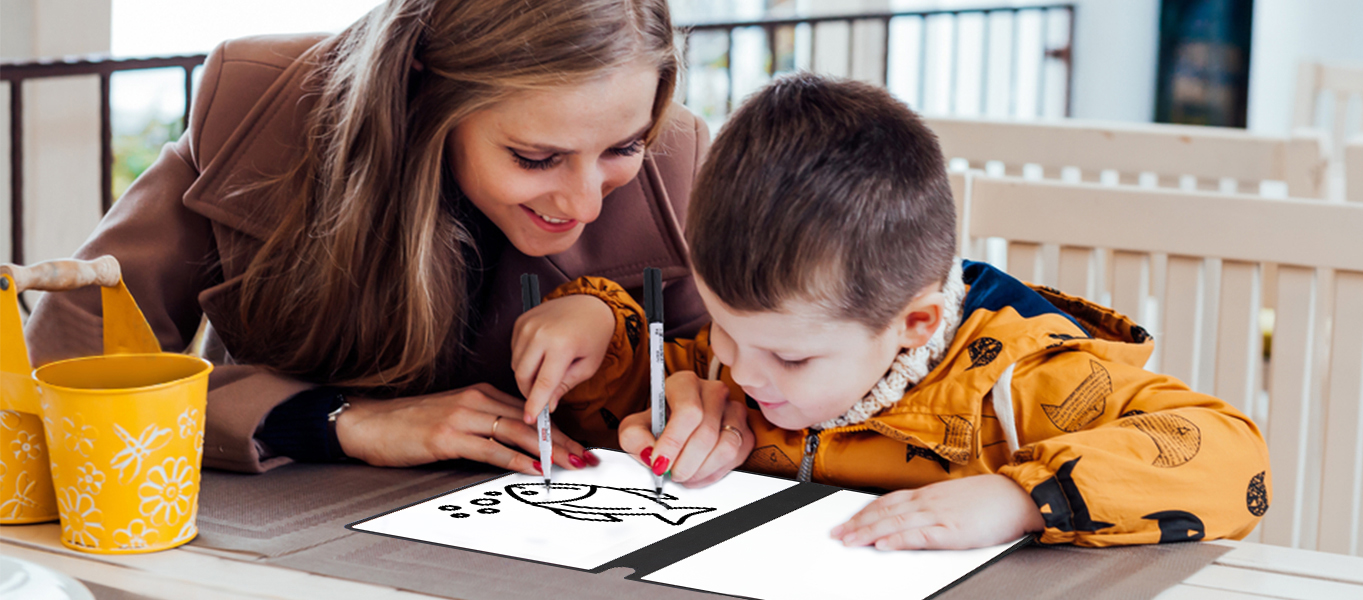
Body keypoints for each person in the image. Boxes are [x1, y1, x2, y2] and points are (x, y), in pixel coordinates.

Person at [538, 73, 1271, 549]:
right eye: (724, 328)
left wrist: (1019, 499)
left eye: (791, 358)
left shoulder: (1027, 384)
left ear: (914, 325)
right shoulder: (749, 353)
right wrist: (599, 330)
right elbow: (620, 411)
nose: (735, 365)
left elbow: (1233, 454)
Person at [24, 0, 726, 475]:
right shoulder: (259, 109)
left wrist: (704, 399)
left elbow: (735, 367)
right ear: (426, 85)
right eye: (535, 158)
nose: (584, 202)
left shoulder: (678, 161)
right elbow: (63, 372)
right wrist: (335, 422)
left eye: (623, 148)